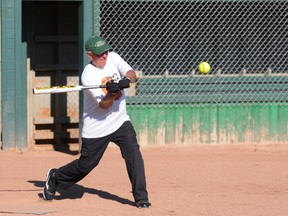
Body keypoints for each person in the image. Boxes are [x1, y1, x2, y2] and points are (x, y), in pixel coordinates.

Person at [43, 35, 151, 208]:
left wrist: (124, 81)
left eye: (106, 52)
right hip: (97, 127)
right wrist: (112, 92)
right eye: (100, 54)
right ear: (90, 55)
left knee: (133, 153)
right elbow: (104, 105)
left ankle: (141, 198)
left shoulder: (113, 58)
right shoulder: (88, 75)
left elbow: (132, 74)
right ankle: (56, 177)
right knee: (86, 165)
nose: (104, 56)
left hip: (120, 121)